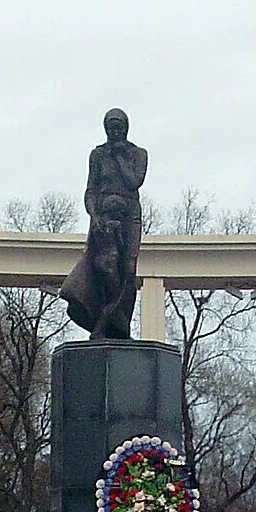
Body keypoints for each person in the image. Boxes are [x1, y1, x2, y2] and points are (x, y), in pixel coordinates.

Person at [60, 108, 147, 339]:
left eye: (118, 126)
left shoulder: (138, 154)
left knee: (128, 270)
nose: (114, 131)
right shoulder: (97, 155)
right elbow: (90, 190)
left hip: (130, 216)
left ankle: (121, 326)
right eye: (110, 127)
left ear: (126, 128)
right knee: (105, 268)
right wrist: (94, 215)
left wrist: (119, 157)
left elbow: (134, 181)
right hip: (104, 217)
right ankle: (104, 322)